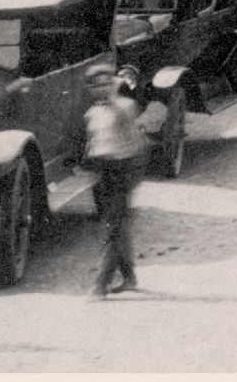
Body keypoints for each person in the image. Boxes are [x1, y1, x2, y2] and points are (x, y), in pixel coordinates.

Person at [83, 60, 144, 298]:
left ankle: (101, 285)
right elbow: (91, 144)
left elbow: (138, 145)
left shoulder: (125, 108)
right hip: (102, 173)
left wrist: (131, 179)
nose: (101, 89)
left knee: (113, 229)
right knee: (115, 227)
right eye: (95, 85)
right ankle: (129, 277)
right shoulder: (92, 113)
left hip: (122, 171)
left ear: (113, 84)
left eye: (106, 83)